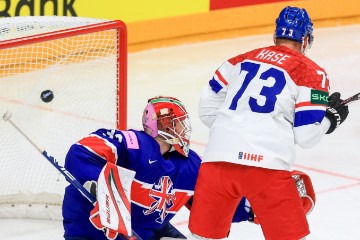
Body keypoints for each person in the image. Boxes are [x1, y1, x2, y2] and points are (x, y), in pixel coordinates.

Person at [188, 6, 350, 240]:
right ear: (305, 40)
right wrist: (330, 119)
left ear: (276, 36)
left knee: (203, 237)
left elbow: (207, 109)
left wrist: (237, 129)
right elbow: (305, 137)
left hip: (217, 161)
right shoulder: (312, 72)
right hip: (266, 169)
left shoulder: (239, 59)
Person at [62, 96, 253, 240]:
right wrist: (100, 186)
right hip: (90, 229)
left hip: (147, 230)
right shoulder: (134, 144)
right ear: (166, 125)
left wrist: (252, 209)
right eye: (179, 123)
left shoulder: (191, 164)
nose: (184, 128)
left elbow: (212, 202)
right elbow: (81, 151)